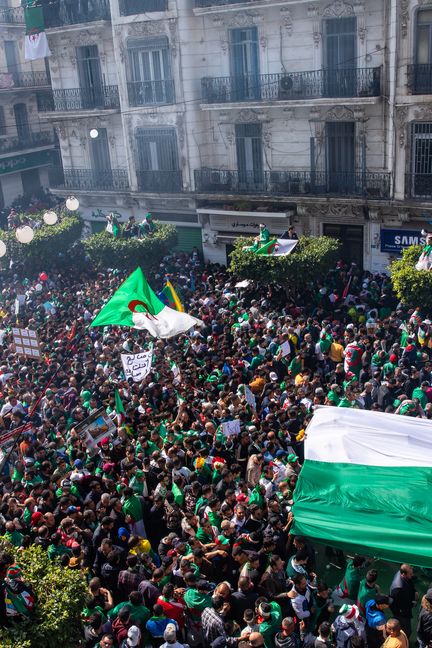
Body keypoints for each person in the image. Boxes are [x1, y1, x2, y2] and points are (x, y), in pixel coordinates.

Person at [389, 564, 417, 638]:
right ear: (404, 574)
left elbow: (410, 582)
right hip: (401, 613)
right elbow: (392, 603)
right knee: (407, 631)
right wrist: (412, 604)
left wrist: (414, 591)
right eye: (410, 574)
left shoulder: (401, 573)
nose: (412, 575)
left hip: (404, 607)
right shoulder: (397, 589)